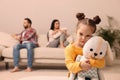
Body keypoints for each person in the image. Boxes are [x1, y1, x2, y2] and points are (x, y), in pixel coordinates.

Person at [65, 13, 104, 80]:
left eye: (87, 36)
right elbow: (70, 65)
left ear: (92, 36)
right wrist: (80, 65)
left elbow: (101, 63)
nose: (83, 38)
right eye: (81, 34)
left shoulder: (94, 49)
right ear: (76, 31)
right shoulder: (70, 48)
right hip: (76, 76)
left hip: (92, 76)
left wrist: (90, 62)